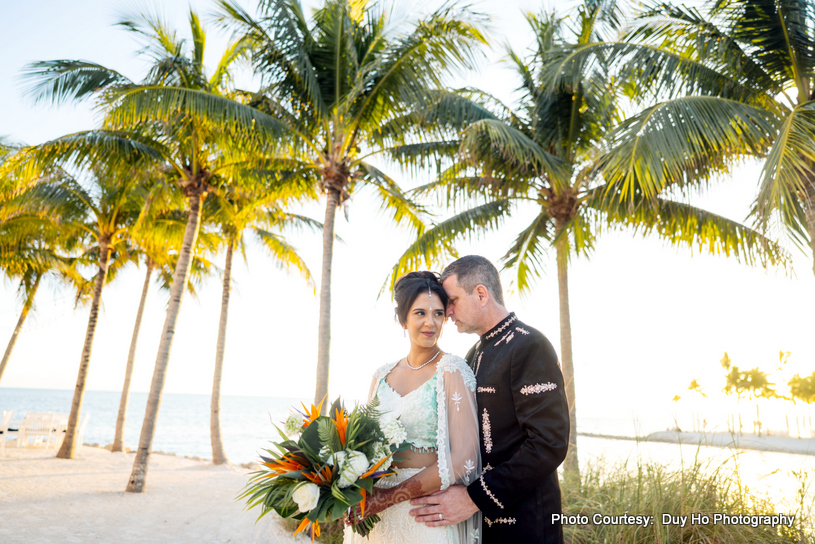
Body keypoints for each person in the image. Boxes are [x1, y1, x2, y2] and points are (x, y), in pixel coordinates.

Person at [408, 256, 570, 543]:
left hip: (526, 526)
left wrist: (474, 499)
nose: (448, 311)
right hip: (480, 528)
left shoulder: (530, 345)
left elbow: (548, 443)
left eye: (453, 300)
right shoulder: (472, 356)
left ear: (481, 294)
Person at [344, 271, 482, 544]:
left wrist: (390, 497)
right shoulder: (381, 375)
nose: (430, 323)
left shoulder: (452, 370)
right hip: (373, 514)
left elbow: (465, 458)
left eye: (438, 314)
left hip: (423, 513)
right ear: (402, 319)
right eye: (420, 313)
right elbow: (361, 444)